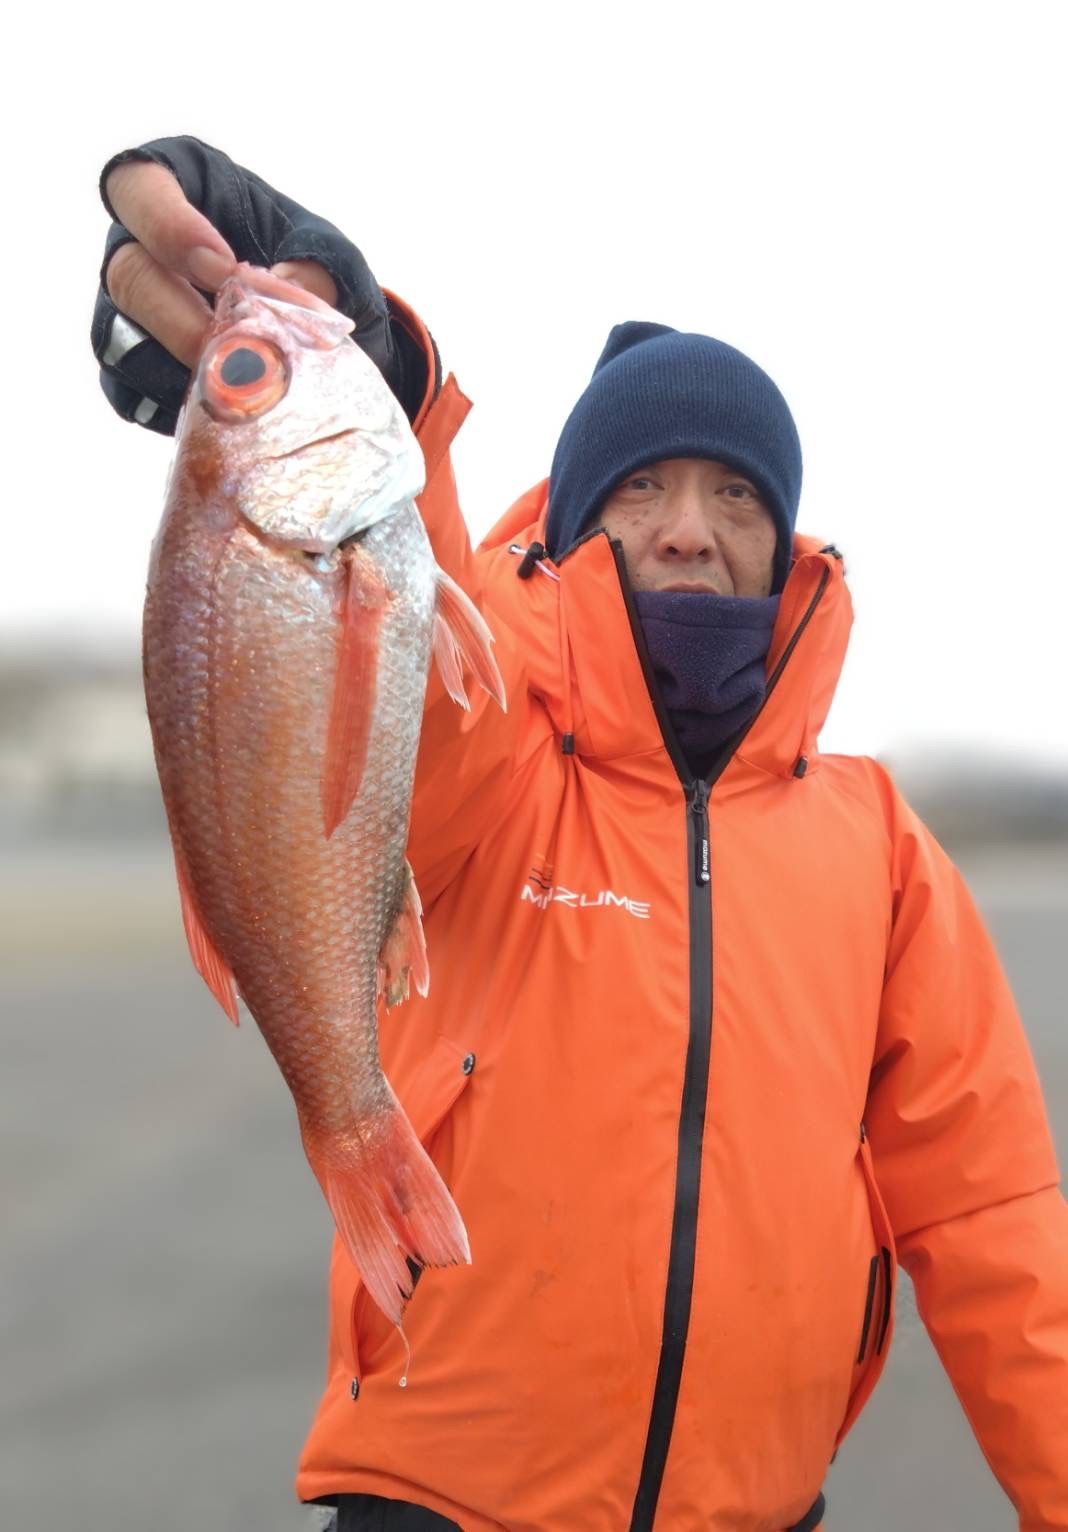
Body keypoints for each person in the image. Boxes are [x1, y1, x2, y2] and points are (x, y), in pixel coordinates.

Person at [92, 137, 1068, 1532]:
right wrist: (382, 370)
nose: (689, 529)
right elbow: (402, 644)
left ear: (786, 540)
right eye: (640, 488)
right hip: (439, 1503)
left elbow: (989, 1213)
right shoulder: (496, 735)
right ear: (575, 524)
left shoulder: (882, 843)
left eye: (737, 493)